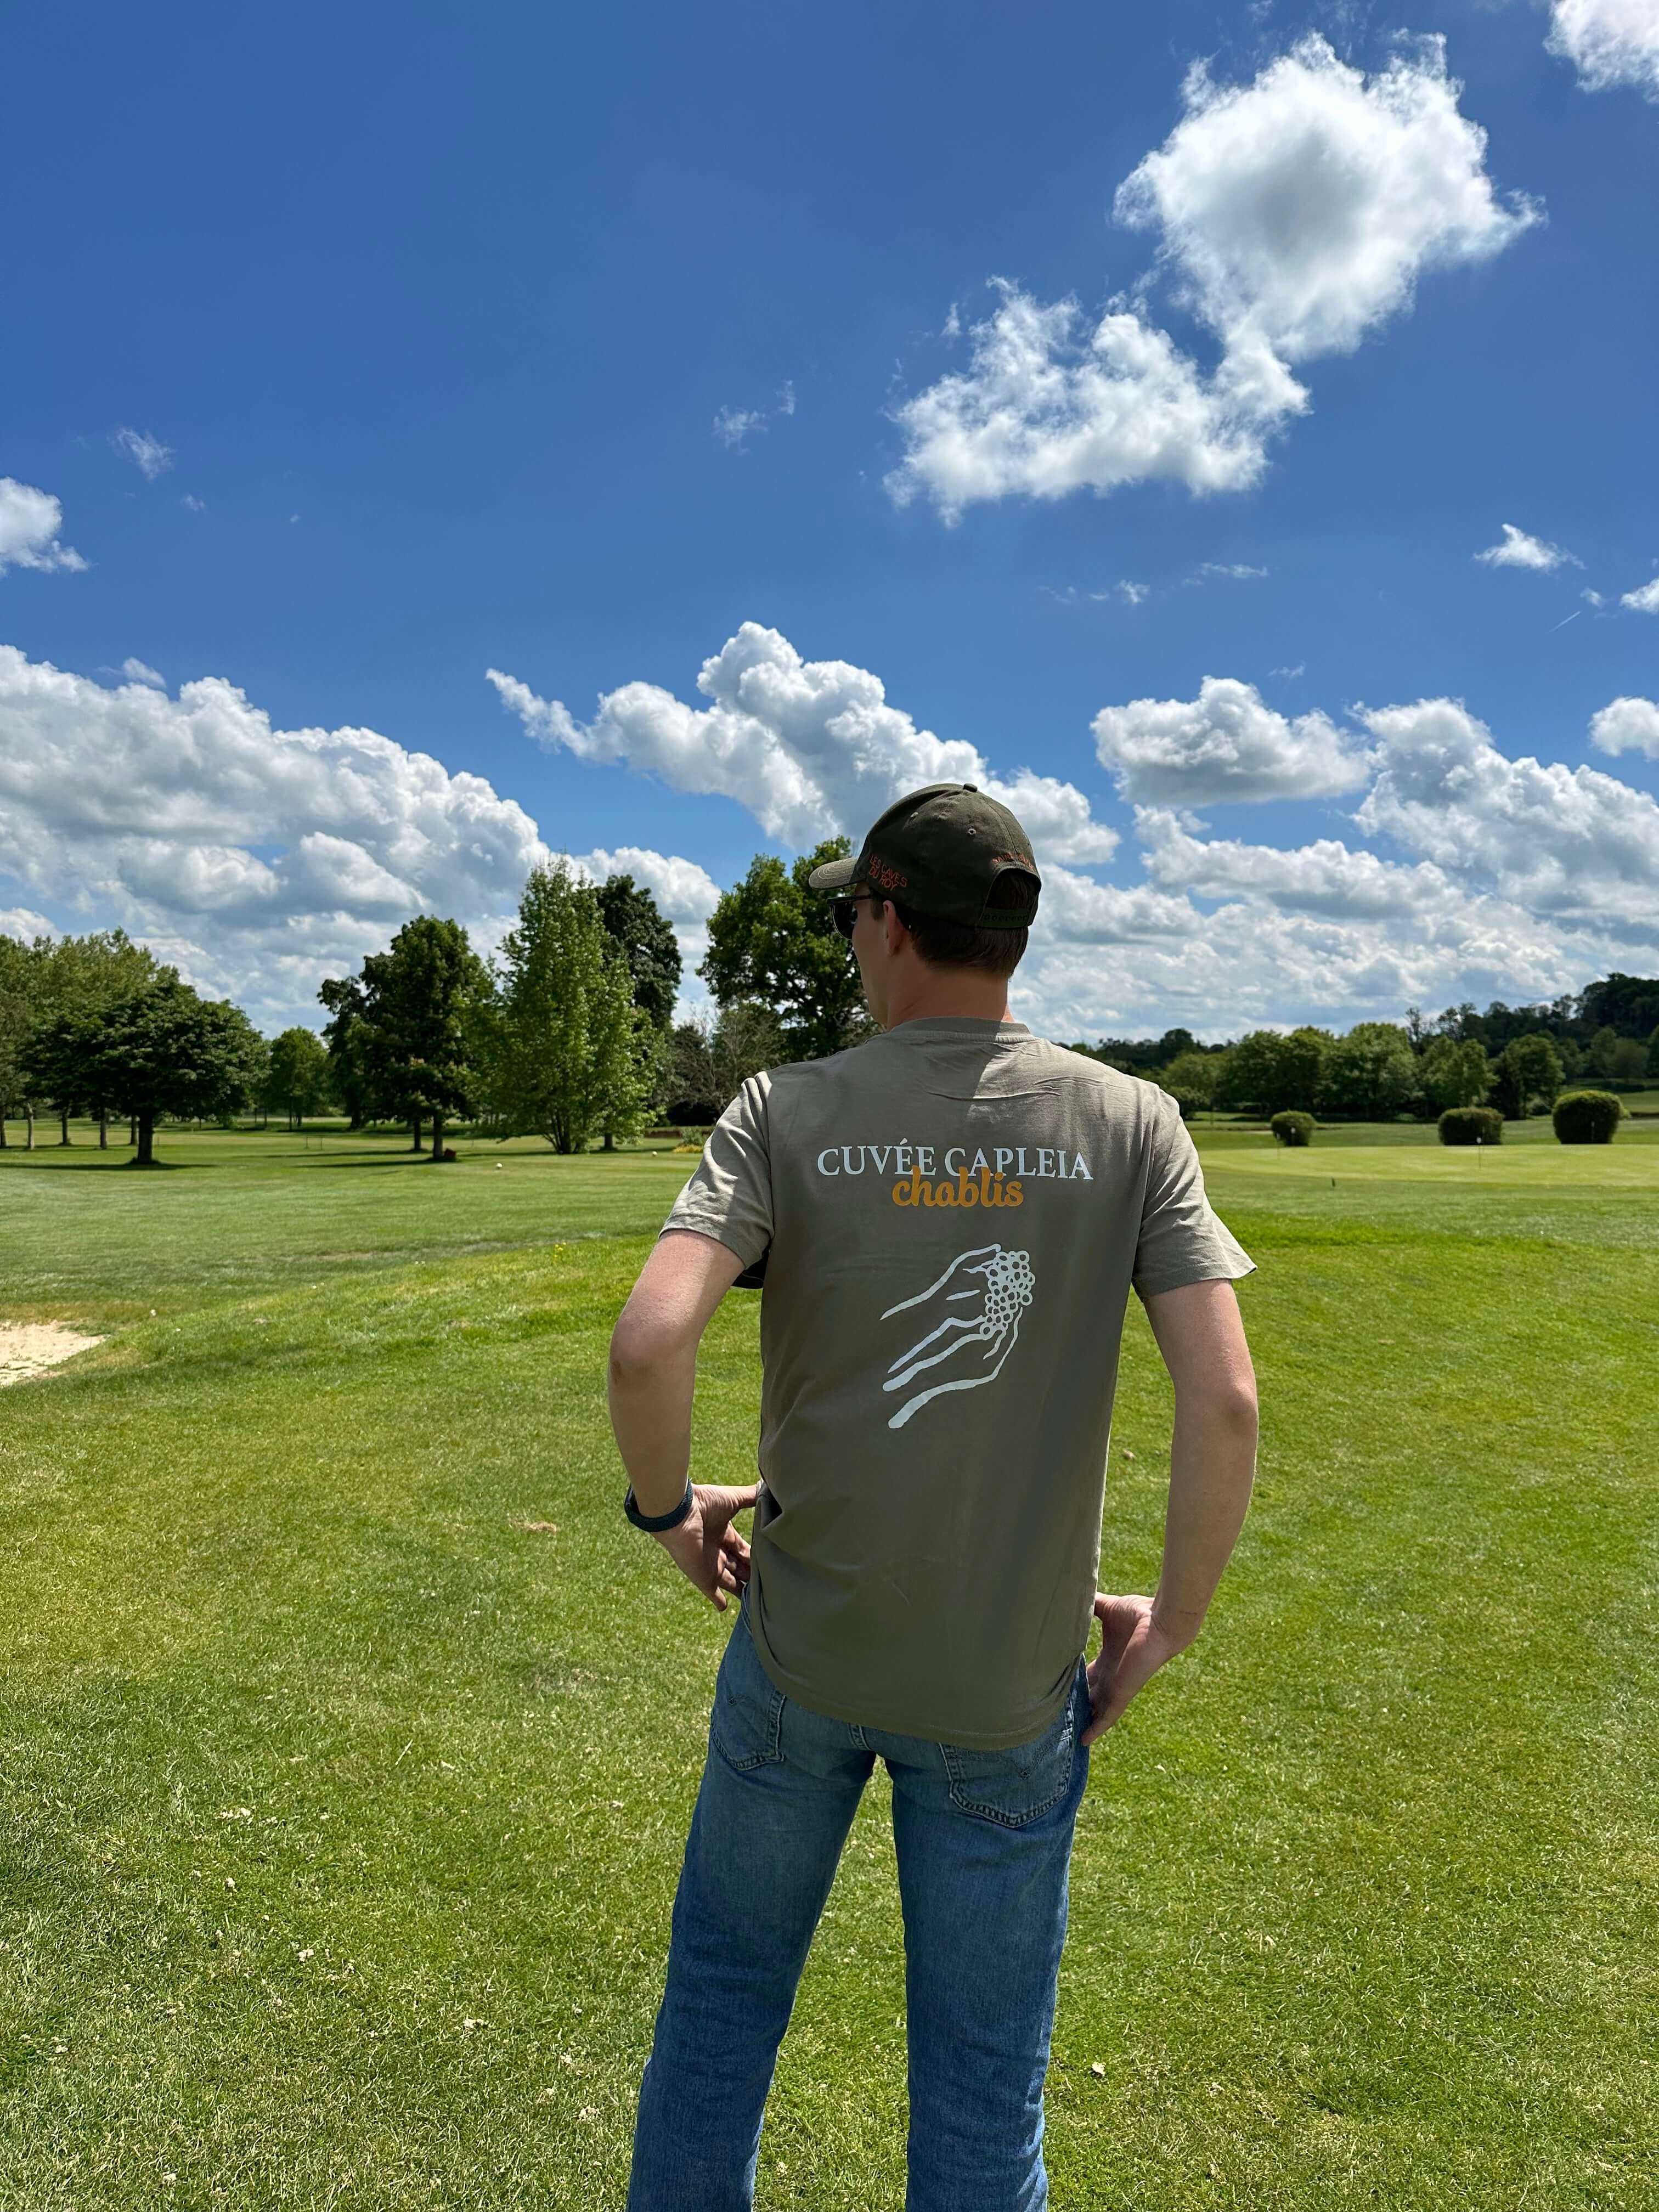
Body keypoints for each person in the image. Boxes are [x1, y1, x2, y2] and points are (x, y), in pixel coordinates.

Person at [608, 782, 1258, 2211]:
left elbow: (651, 1341)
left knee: (719, 2017)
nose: (852, 939)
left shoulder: (787, 1111)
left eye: (855, 913)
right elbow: (1226, 1399)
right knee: (982, 2080)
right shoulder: (1132, 1122)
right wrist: (1171, 1627)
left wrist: (668, 1517)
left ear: (892, 921)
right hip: (1010, 1688)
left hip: (801, 1658)